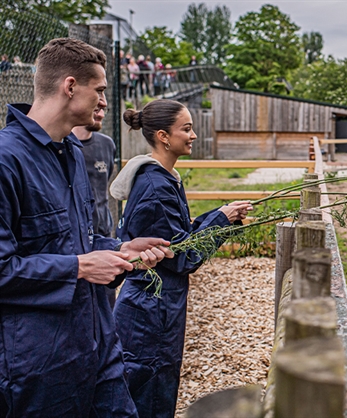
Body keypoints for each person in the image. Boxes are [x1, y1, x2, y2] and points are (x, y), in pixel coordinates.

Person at [0, 38, 173, 417]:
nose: (105, 102)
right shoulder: (6, 160)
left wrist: (121, 249)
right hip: (40, 365)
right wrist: (79, 267)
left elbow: (82, 239)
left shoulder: (74, 154)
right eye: (100, 90)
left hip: (99, 348)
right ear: (70, 86)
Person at [110, 99, 253, 418]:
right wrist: (220, 222)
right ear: (163, 136)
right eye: (186, 129)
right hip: (150, 309)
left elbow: (177, 236)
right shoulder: (156, 186)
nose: (193, 136)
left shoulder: (162, 177)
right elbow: (182, 256)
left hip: (155, 306)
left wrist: (220, 215)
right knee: (148, 394)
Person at [72, 107, 117, 307]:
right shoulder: (65, 147)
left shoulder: (106, 144)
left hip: (103, 235)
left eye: (105, 109)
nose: (101, 112)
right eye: (97, 107)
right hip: (76, 243)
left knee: (107, 301)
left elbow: (104, 183)